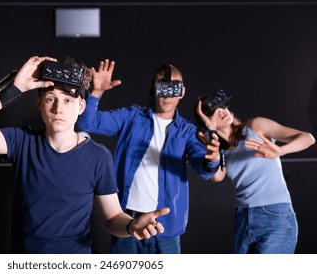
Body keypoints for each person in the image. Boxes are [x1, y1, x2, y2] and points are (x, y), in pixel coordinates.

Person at [0, 55, 171, 254]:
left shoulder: (98, 157)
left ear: (81, 106)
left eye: (68, 100)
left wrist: (132, 225)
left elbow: (113, 217)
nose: (58, 109)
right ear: (39, 103)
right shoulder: (22, 142)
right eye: (50, 99)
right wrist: (16, 87)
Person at [76, 60, 223, 254]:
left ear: (182, 91)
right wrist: (96, 93)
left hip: (167, 227)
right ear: (153, 88)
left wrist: (212, 159)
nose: (167, 93)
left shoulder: (188, 131)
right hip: (127, 222)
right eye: (162, 85)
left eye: (174, 87)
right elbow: (88, 122)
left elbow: (202, 166)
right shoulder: (131, 117)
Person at [194, 89, 315, 253]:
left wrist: (281, 151)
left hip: (275, 214)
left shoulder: (255, 126)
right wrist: (211, 130)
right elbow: (216, 176)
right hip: (243, 218)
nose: (221, 111)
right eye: (214, 111)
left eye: (223, 107)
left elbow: (308, 138)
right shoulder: (220, 152)